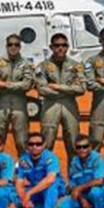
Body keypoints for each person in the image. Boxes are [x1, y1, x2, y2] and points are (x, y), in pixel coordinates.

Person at [35, 33, 85, 162]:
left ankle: (74, 178)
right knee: (46, 143)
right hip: (50, 107)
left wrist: (57, 87)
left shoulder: (76, 66)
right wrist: (69, 89)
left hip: (70, 107)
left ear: (68, 47)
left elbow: (81, 89)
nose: (60, 48)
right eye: (57, 45)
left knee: (74, 144)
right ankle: (45, 177)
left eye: (64, 45)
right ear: (51, 47)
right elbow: (41, 89)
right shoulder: (42, 66)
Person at [0, 34, 34, 154]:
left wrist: (4, 84)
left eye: (16, 45)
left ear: (20, 47)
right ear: (6, 46)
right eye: (10, 44)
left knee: (22, 141)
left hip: (19, 104)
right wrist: (16, 85)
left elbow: (27, 85)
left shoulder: (27, 64)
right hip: (1, 104)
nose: (13, 47)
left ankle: (24, 169)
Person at [14, 132, 64, 208]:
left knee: (50, 186)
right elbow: (18, 180)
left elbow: (50, 179)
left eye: (38, 144)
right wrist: (23, 197)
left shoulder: (51, 157)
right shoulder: (23, 160)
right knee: (16, 199)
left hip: (53, 189)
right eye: (31, 144)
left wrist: (29, 194)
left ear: (44, 145)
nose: (34, 147)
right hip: (36, 190)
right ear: (27, 146)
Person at [57, 134, 104, 208]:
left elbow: (99, 180)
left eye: (85, 146)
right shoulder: (74, 162)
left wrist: (79, 189)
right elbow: (73, 185)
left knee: (96, 192)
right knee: (62, 206)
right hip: (84, 194)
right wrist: (82, 198)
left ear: (91, 147)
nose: (82, 149)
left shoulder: (97, 158)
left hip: (98, 193)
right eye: (79, 147)